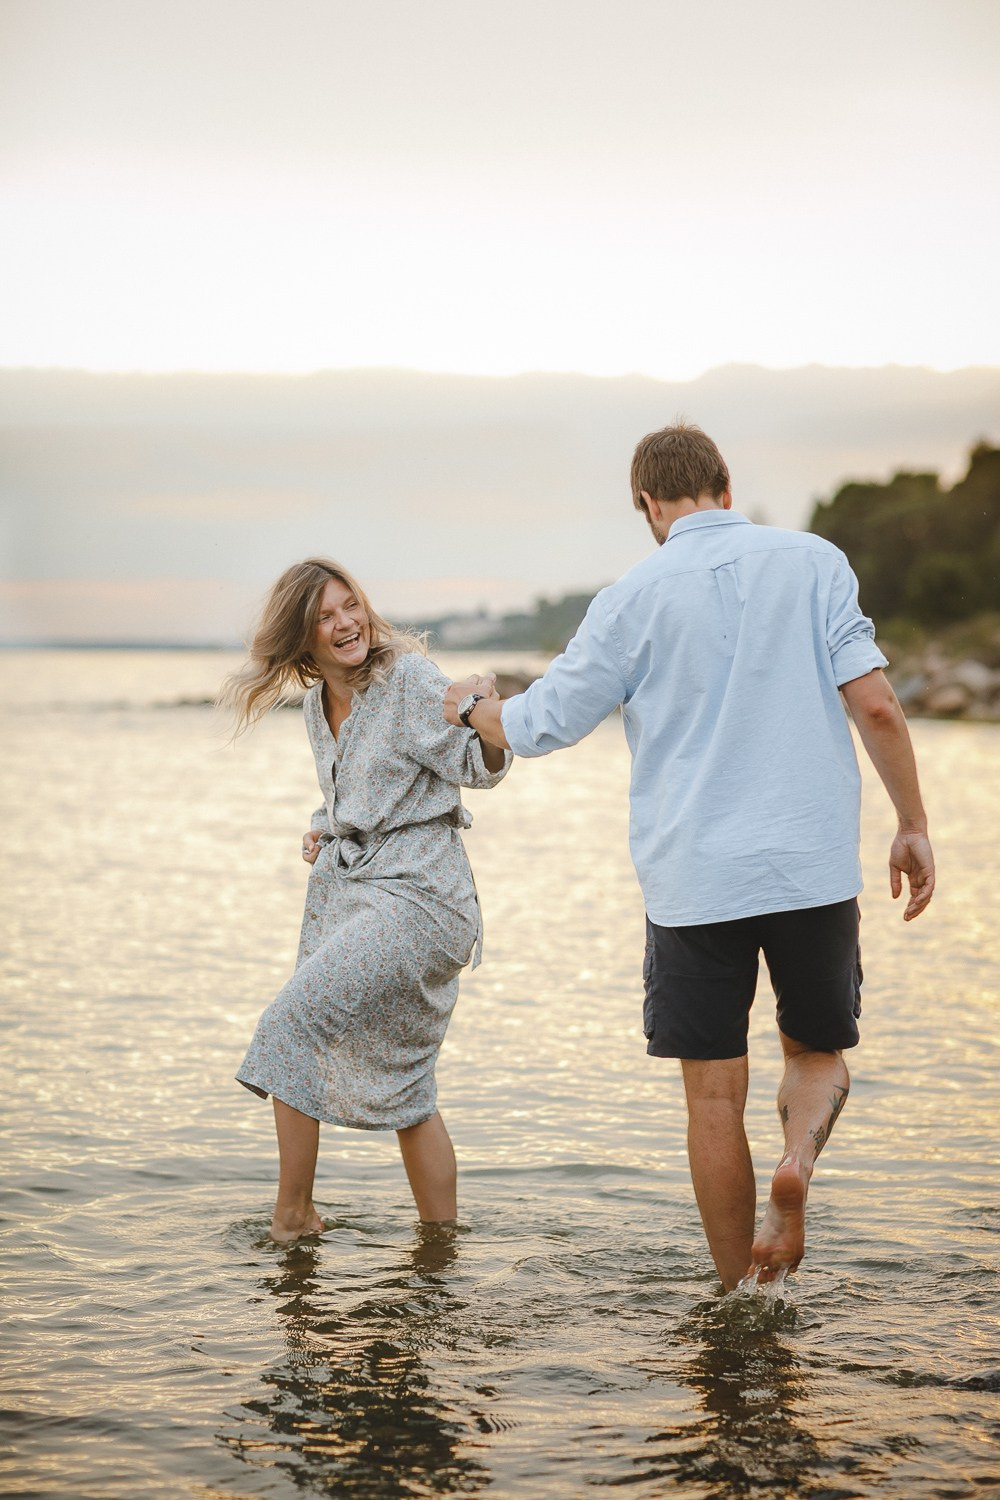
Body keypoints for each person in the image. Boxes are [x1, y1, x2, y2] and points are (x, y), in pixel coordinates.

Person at [444, 422, 934, 1293]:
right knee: (816, 1055)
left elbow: (537, 724)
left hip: (693, 880)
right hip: (809, 868)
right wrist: (912, 822)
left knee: (714, 1097)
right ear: (725, 484)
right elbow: (880, 707)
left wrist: (473, 707)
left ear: (647, 505)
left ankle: (737, 1300)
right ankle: (797, 1165)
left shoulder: (632, 597)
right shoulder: (815, 561)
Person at [223, 558, 509, 1244]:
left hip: (423, 897)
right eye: (324, 616)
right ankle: (441, 1252)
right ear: (304, 640)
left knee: (289, 1025)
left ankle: (295, 1216)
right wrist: (326, 826)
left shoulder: (407, 680)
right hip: (355, 889)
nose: (345, 622)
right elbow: (352, 793)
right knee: (411, 1088)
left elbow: (479, 767)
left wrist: (490, 715)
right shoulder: (318, 706)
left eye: (350, 605)